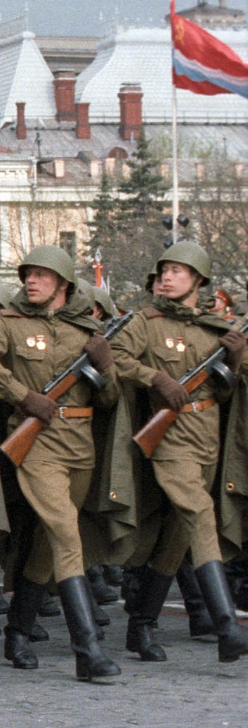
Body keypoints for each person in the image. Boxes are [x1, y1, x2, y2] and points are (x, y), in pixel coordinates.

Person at [0, 245, 122, 682]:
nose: (31, 281)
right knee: (64, 530)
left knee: (48, 540)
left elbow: (110, 397)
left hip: (80, 444)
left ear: (63, 284)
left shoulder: (87, 329)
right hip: (34, 441)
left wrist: (106, 365)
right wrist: (24, 396)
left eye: (42, 275)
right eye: (28, 274)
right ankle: (87, 649)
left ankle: (17, 631)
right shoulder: (7, 322)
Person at [110, 242, 248, 664]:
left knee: (178, 534)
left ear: (198, 280)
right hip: (167, 436)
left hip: (207, 437)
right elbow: (115, 357)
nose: (166, 277)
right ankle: (227, 626)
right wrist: (154, 378)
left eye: (177, 271)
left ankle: (142, 625)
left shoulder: (215, 327)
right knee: (200, 515)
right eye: (163, 270)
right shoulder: (145, 322)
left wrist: (238, 357)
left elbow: (229, 387)